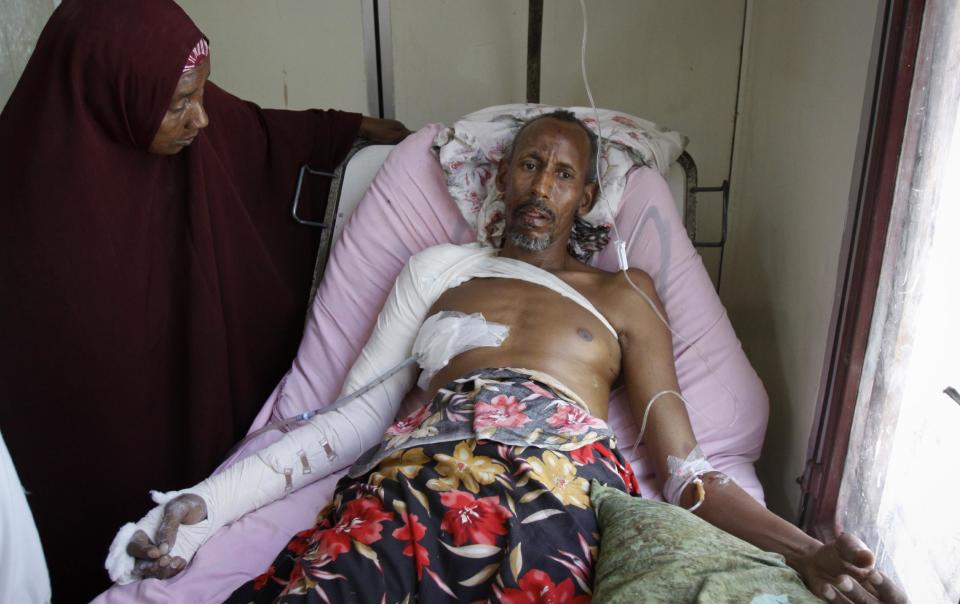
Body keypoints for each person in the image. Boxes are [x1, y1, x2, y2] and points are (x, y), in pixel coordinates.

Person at [119, 113, 907, 603]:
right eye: (530, 164)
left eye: (564, 174)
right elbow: (351, 420)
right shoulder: (439, 270)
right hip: (419, 471)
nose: (542, 186)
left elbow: (690, 474)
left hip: (560, 485)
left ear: (586, 195)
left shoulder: (626, 294)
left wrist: (808, 551)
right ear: (501, 176)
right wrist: (211, 503)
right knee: (337, 578)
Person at [0, 0, 409, 600]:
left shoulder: (182, 124)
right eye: (179, 105)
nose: (202, 119)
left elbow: (261, 132)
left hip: (182, 402)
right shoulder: (27, 207)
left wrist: (354, 128)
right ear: (115, 98)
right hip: (88, 439)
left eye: (202, 94)